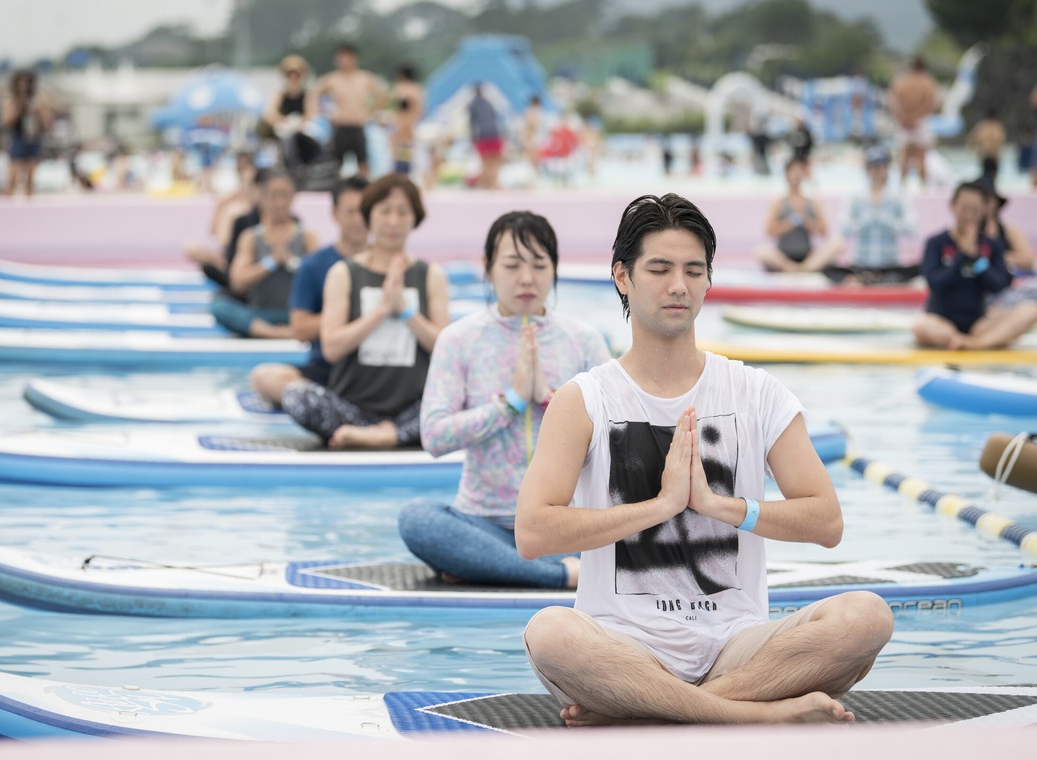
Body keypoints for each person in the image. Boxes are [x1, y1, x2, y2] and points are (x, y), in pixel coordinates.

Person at [516, 193, 894, 727]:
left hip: (737, 648)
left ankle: (653, 706)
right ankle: (753, 714)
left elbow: (827, 522)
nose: (679, 285)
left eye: (694, 270)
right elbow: (532, 533)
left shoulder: (756, 391)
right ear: (622, 277)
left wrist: (724, 508)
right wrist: (660, 506)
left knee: (867, 617)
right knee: (551, 632)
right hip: (623, 648)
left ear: (709, 280)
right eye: (661, 268)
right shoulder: (586, 399)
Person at [398, 211, 611, 589]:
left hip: (565, 525)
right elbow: (434, 436)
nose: (526, 278)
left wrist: (549, 400)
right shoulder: (459, 339)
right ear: (488, 268)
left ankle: (497, 568)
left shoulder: (583, 340)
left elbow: (617, 440)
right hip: (485, 524)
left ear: (554, 269)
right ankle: (557, 575)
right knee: (418, 520)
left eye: (539, 265)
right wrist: (509, 403)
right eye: (512, 265)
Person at [281, 174, 450, 448]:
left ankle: (391, 434)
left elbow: (446, 348)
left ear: (414, 219)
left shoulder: (431, 275)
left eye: (403, 212)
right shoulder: (344, 273)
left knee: (457, 399)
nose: (393, 221)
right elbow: (331, 348)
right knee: (296, 396)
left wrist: (407, 312)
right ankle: (376, 433)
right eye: (385, 211)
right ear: (368, 216)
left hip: (412, 409)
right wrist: (381, 310)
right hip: (352, 410)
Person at [250, 175, 370, 402]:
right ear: (334, 214)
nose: (358, 220)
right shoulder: (314, 264)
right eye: (350, 212)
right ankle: (327, 401)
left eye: (363, 211)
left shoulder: (394, 264)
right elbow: (300, 328)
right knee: (264, 377)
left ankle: (332, 403)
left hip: (380, 369)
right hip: (328, 369)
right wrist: (362, 314)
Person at [912, 181, 1037, 351]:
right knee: (921, 326)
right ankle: (963, 340)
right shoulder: (936, 242)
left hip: (979, 323)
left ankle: (976, 343)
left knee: (1029, 311)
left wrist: (976, 258)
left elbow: (999, 285)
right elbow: (935, 282)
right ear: (953, 206)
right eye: (965, 209)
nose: (969, 215)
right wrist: (962, 256)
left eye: (975, 210)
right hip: (941, 321)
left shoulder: (991, 245)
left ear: (982, 212)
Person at [212, 169, 319, 339]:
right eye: (274, 196)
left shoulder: (307, 237)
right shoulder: (251, 237)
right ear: (263, 198)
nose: (279, 202)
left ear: (292, 197)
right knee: (219, 307)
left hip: (297, 315)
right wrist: (271, 261)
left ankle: (291, 330)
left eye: (284, 195)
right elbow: (237, 281)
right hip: (261, 316)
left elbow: (319, 280)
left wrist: (291, 261)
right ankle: (278, 333)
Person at [823, 145, 918, 284]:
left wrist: (886, 220)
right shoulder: (856, 197)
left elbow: (912, 228)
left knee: (917, 269)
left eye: (880, 167)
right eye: (873, 167)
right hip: (861, 263)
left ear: (886, 169)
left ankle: (878, 279)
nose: (876, 172)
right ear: (867, 170)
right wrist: (865, 221)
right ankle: (868, 279)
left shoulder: (897, 197)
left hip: (889, 263)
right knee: (828, 269)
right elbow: (843, 228)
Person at [309, 43, 387, 178]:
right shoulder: (332, 79)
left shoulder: (364, 78)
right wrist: (318, 113)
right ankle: (338, 191)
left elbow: (382, 94)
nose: (345, 61)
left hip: (358, 125)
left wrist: (371, 112)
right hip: (340, 126)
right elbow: (314, 94)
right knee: (337, 163)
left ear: (355, 59)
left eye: (348, 57)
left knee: (363, 163)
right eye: (342, 57)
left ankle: (363, 189)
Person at [753, 158, 841, 273]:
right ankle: (790, 268)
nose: (795, 175)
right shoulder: (778, 202)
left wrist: (806, 221)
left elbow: (824, 231)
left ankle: (805, 268)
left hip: (807, 255)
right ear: (786, 175)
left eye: (798, 171)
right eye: (792, 171)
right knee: (761, 251)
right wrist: (790, 223)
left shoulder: (812, 202)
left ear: (804, 174)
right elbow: (769, 231)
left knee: (836, 244)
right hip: (784, 255)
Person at [184, 152, 258, 285]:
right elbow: (213, 233)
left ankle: (231, 268)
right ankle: (226, 266)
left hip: (243, 255)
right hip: (228, 252)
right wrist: (220, 207)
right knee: (189, 247)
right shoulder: (230, 203)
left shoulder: (253, 208)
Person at [263, 54, 322, 174]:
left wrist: (300, 123)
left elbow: (312, 113)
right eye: (290, 75)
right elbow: (270, 113)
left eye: (296, 74)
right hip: (284, 134)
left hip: (303, 136)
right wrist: (285, 122)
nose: (293, 78)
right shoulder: (280, 95)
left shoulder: (308, 95)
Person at [0, 70, 52, 196]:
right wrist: (20, 107)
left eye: (27, 82)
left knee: (31, 177)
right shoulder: (11, 99)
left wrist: (38, 110)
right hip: (18, 137)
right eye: (21, 82)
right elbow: (7, 121)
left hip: (34, 136)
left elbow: (48, 122)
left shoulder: (39, 99)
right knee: (13, 175)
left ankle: (29, 206)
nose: (24, 85)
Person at [888, 57, 937, 187]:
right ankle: (923, 187)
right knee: (921, 158)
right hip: (920, 122)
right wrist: (915, 118)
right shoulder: (927, 82)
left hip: (904, 123)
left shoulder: (901, 81)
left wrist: (903, 118)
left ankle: (902, 186)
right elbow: (930, 104)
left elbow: (892, 103)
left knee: (904, 157)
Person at [979, 181, 1034, 274]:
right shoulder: (969, 232)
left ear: (996, 202)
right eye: (982, 201)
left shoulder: (1008, 231)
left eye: (988, 200)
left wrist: (997, 257)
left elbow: (1029, 259)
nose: (986, 206)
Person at [468, 83, 504, 190]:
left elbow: (472, 123)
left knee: (485, 162)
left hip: (483, 136)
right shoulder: (489, 103)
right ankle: (493, 183)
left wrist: (473, 138)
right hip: (495, 134)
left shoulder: (472, 105)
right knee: (495, 162)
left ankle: (488, 184)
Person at [390, 65, 424, 176]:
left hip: (404, 127)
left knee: (403, 157)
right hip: (406, 126)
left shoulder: (402, 89)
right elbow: (419, 111)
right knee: (404, 156)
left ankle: (402, 176)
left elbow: (403, 110)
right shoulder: (417, 89)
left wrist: (405, 126)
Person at [966, 109, 1006, 184]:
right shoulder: (997, 127)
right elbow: (1001, 142)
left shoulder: (982, 126)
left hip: (986, 155)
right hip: (992, 156)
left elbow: (970, 140)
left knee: (986, 178)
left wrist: (973, 152)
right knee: (992, 179)